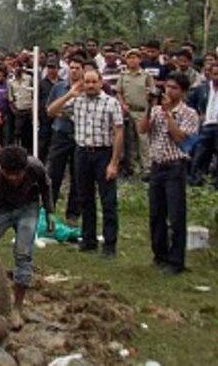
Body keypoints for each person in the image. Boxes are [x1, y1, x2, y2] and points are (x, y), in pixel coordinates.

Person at [0, 145, 55, 330]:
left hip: (28, 206)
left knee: (23, 253)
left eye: (17, 174)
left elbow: (46, 186)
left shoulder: (36, 168)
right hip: (0, 210)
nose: (13, 178)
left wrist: (49, 212)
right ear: (2, 170)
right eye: (9, 174)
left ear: (25, 169)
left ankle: (17, 308)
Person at [48, 68, 124, 259]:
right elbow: (51, 111)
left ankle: (109, 244)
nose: (90, 86)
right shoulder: (77, 101)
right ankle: (88, 240)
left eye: (93, 82)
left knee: (108, 200)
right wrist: (70, 94)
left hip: (103, 153)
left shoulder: (111, 103)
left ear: (100, 82)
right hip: (82, 152)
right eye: (87, 82)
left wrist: (114, 162)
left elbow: (119, 132)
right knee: (85, 198)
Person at [139, 73, 200, 275]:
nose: (169, 91)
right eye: (167, 87)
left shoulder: (189, 113)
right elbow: (143, 129)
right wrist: (150, 107)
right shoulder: (156, 109)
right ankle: (159, 254)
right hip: (157, 165)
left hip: (175, 165)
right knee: (156, 214)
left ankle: (176, 260)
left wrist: (168, 114)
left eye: (174, 88)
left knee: (176, 215)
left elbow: (180, 138)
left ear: (182, 91)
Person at [187, 61, 218, 188]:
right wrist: (197, 115)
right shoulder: (201, 89)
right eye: (215, 74)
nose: (217, 77)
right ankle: (196, 181)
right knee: (201, 154)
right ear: (209, 74)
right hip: (205, 126)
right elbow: (190, 104)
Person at [46, 57, 84, 224]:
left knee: (78, 176)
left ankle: (73, 214)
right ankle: (49, 210)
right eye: (71, 67)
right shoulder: (59, 87)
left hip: (80, 136)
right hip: (61, 135)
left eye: (77, 68)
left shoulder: (87, 88)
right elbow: (50, 110)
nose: (74, 71)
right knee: (54, 173)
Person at [117, 49, 154, 178]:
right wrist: (122, 104)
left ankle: (147, 167)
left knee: (143, 140)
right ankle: (132, 167)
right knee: (129, 139)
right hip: (128, 110)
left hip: (141, 111)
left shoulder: (146, 76)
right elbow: (119, 92)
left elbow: (153, 94)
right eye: (129, 58)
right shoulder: (123, 76)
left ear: (140, 60)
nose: (132, 60)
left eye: (135, 58)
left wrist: (150, 110)